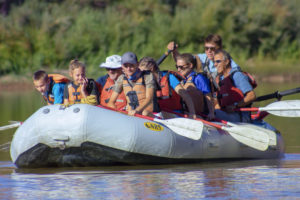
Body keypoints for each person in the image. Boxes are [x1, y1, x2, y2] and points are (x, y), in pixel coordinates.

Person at [167, 34, 241, 90]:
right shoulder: (203, 57)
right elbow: (182, 61)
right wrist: (174, 51)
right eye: (206, 48)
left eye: (212, 48)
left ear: (220, 48)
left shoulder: (229, 63)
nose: (209, 51)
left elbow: (237, 76)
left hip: (227, 94)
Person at [107, 52, 159, 117]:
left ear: (137, 64)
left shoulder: (147, 76)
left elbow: (149, 98)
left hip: (150, 113)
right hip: (131, 114)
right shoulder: (122, 78)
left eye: (131, 65)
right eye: (126, 66)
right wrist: (115, 110)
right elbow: (111, 102)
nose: (128, 69)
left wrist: (137, 111)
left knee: (144, 113)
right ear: (122, 66)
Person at [214, 49, 256, 122]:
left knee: (214, 113)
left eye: (218, 61)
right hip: (227, 114)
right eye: (214, 62)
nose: (215, 64)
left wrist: (235, 105)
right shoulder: (221, 79)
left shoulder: (237, 76)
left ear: (226, 62)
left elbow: (251, 96)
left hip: (241, 117)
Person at [175, 53, 215, 120]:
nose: (178, 70)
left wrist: (211, 113)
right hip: (186, 114)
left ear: (190, 65)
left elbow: (208, 96)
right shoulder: (182, 80)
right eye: (177, 67)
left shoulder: (199, 78)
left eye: (181, 67)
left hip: (201, 115)